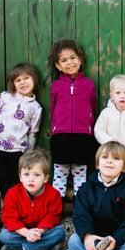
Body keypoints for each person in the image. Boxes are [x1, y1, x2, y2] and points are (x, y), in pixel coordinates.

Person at [49, 39, 97, 198]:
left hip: (82, 136)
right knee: (60, 175)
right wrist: (54, 130)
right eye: (64, 60)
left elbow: (93, 107)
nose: (69, 62)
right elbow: (53, 109)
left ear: (80, 59)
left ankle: (80, 208)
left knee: (80, 175)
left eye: (73, 58)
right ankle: (56, 207)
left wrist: (89, 128)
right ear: (58, 65)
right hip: (60, 137)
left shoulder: (89, 85)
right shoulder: (56, 86)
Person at [0, 149, 65, 250]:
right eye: (26, 174)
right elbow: (9, 218)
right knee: (3, 235)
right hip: (21, 232)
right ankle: (45, 247)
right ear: (20, 177)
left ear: (46, 178)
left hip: (42, 232)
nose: (31, 179)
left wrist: (39, 231)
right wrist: (26, 233)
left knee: (60, 232)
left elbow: (53, 216)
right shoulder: (12, 193)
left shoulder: (54, 194)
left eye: (37, 175)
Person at [0, 63, 42, 197]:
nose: (22, 82)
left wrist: (28, 154)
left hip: (17, 150)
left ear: (34, 79)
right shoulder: (4, 96)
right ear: (13, 83)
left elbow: (33, 132)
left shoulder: (35, 107)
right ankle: (7, 208)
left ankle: (19, 206)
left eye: (26, 78)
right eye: (18, 80)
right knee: (3, 179)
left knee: (17, 181)